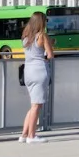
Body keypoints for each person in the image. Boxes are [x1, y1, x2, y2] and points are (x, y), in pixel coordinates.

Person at [18, 12, 54, 143]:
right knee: (37, 106)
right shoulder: (42, 35)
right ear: (41, 22)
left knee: (33, 104)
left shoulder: (25, 37)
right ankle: (31, 136)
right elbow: (50, 55)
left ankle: (24, 134)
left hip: (28, 71)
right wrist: (50, 44)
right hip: (39, 71)